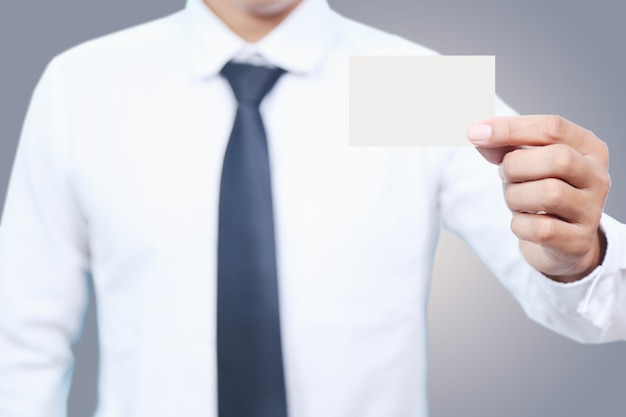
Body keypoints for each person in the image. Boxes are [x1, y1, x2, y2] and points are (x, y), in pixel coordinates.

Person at [0, 0, 624, 416]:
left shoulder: (407, 83)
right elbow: (21, 337)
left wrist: (577, 252)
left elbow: (596, 311)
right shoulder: (86, 86)